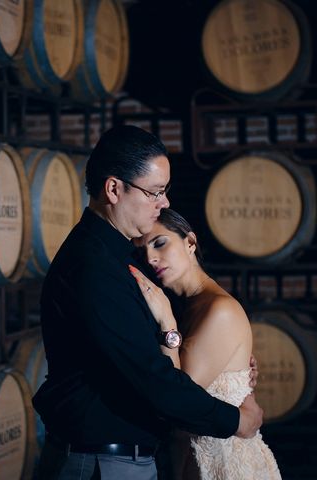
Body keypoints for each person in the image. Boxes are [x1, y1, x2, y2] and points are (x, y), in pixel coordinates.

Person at [33, 125, 263, 480]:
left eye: (165, 191)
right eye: (155, 192)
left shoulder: (120, 256)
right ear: (114, 188)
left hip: (115, 459)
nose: (165, 203)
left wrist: (230, 372)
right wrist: (237, 421)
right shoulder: (95, 268)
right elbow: (156, 382)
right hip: (99, 463)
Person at [129, 208, 281, 480]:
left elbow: (178, 394)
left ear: (190, 242)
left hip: (225, 466)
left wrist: (167, 323)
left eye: (160, 243)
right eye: (142, 253)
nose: (150, 258)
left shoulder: (218, 309)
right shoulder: (189, 306)